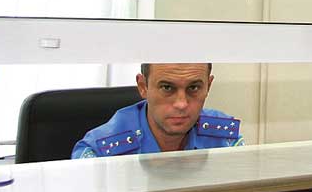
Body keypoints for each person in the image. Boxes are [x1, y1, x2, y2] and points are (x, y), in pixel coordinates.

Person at [72, 63, 244, 158]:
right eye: (167, 87)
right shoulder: (99, 152)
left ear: (208, 86)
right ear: (143, 87)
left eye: (194, 87)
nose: (181, 104)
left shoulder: (225, 140)